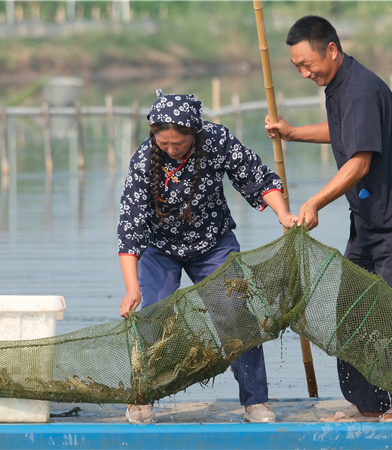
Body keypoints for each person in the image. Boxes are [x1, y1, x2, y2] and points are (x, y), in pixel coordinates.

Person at [264, 16, 392, 422]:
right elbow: (344, 131)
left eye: (308, 64)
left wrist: (314, 203)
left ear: (331, 49)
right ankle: (368, 403)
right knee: (352, 311)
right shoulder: (339, 85)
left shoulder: (360, 88)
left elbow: (360, 160)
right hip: (368, 219)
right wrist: (293, 133)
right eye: (297, 68)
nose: (305, 73)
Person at [118, 90, 298, 424]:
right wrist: (132, 288)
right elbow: (130, 229)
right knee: (154, 319)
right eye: (164, 143)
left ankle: (256, 402)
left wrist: (283, 215)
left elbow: (257, 177)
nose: (170, 149)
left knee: (235, 315)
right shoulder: (145, 160)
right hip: (161, 249)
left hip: (214, 243)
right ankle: (142, 400)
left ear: (194, 133)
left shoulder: (216, 140)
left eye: (178, 143)